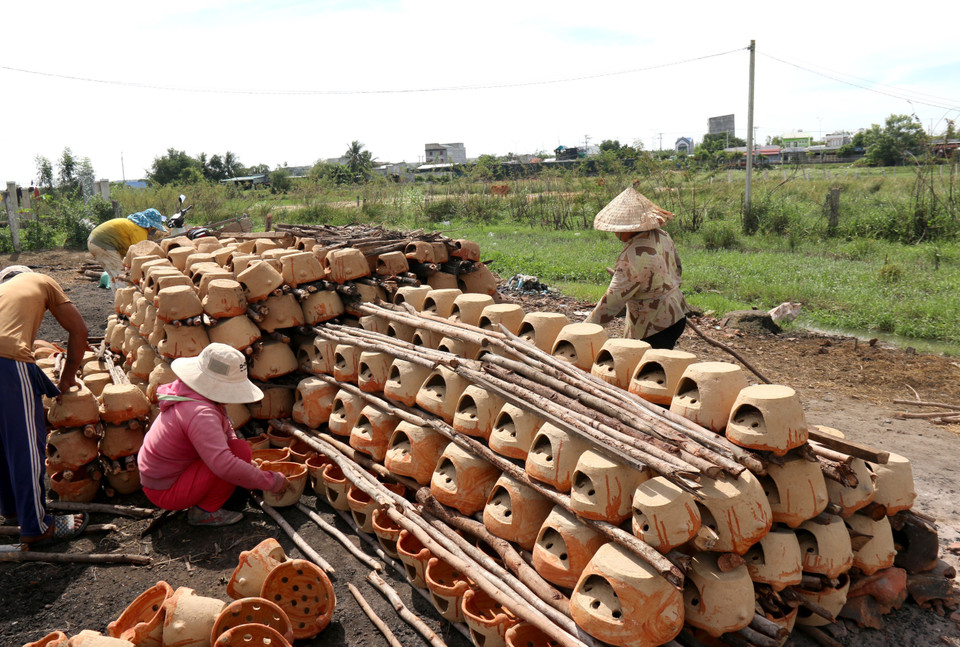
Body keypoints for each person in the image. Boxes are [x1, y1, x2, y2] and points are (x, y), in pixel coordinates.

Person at [137, 343, 289, 527]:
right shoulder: (200, 413)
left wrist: (246, 467)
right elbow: (224, 464)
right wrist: (272, 482)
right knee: (236, 455)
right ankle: (203, 512)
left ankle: (209, 495)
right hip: (166, 490)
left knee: (238, 450)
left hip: (161, 479)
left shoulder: (191, 393)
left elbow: (227, 432)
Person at [0, 265, 90, 547]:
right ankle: (37, 526)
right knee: (26, 446)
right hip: (7, 361)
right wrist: (68, 376)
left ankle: (12, 509)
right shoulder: (42, 280)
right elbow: (79, 330)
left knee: (2, 443)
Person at [583, 186, 689, 350]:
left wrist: (584, 329)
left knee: (648, 369)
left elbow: (612, 301)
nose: (615, 234)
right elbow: (678, 269)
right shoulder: (662, 235)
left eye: (617, 230)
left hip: (654, 326)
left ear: (630, 229)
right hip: (676, 313)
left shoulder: (632, 258)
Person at [87, 208, 168, 289]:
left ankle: (118, 299)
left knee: (114, 276)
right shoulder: (139, 229)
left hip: (94, 242)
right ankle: (124, 298)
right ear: (150, 225)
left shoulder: (131, 224)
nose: (154, 231)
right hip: (103, 244)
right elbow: (140, 254)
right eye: (155, 228)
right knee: (121, 275)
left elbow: (126, 251)